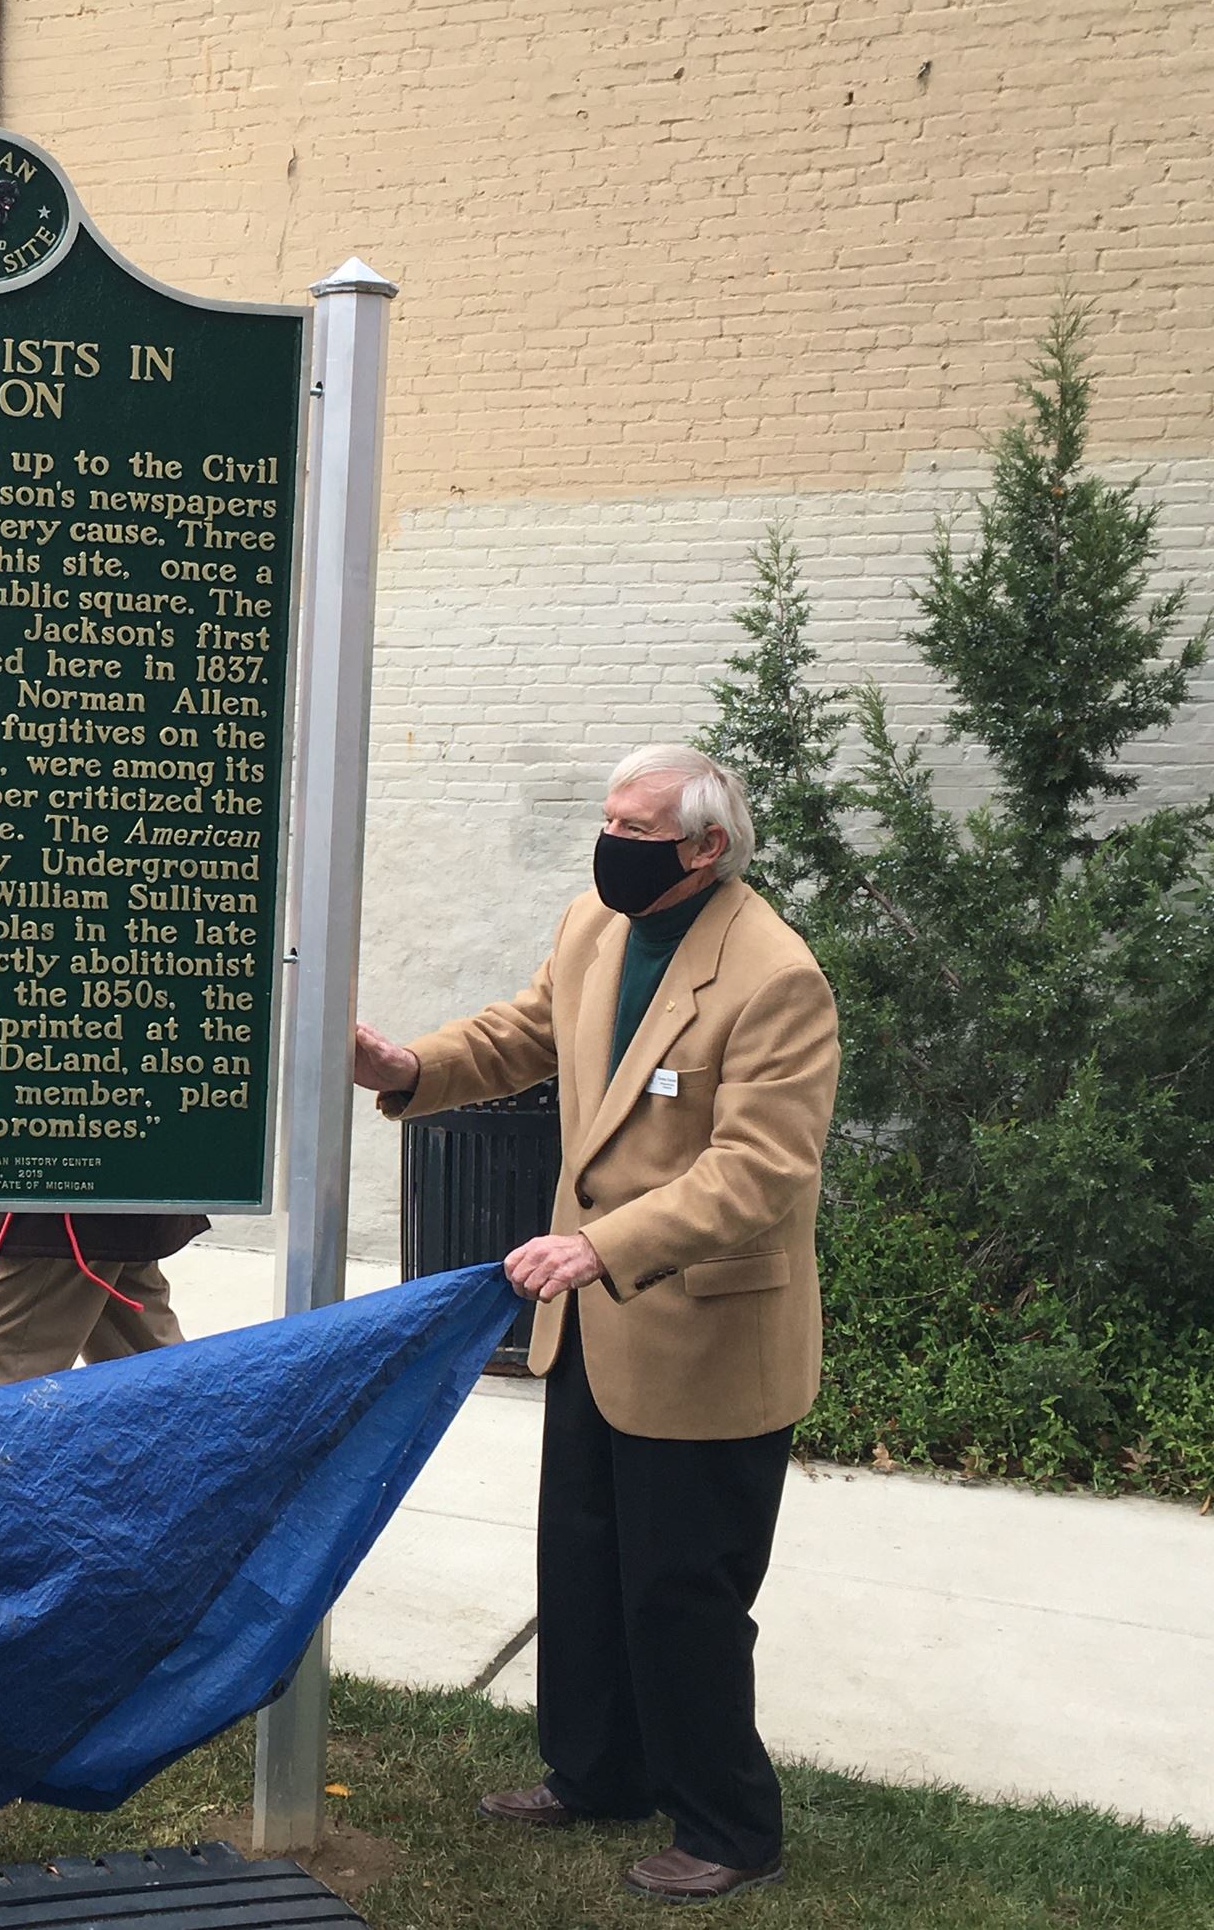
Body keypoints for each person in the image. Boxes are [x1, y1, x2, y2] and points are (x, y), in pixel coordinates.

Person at [352, 744, 838, 1905]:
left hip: (702, 1334)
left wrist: (599, 1245)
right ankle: (595, 1772)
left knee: (682, 1588)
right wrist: (407, 1063)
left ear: (705, 847)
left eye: (635, 827)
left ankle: (727, 1824)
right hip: (591, 1329)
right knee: (579, 1563)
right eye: (606, 820)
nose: (609, 841)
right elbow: (521, 1036)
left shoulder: (774, 976)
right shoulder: (592, 927)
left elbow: (760, 1170)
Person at [0, 1210, 208, 1392]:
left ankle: (2, 1468)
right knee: (142, 1361)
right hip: (106, 1193)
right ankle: (207, 1446)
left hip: (70, 1202)